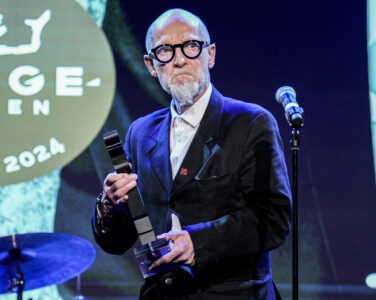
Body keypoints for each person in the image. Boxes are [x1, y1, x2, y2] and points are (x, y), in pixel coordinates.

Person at [92, 8, 291, 300]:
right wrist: (108, 207)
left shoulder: (250, 122)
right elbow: (119, 240)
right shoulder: (141, 132)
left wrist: (197, 242)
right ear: (150, 64)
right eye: (165, 51)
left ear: (209, 54)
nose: (179, 59)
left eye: (190, 46)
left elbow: (273, 218)